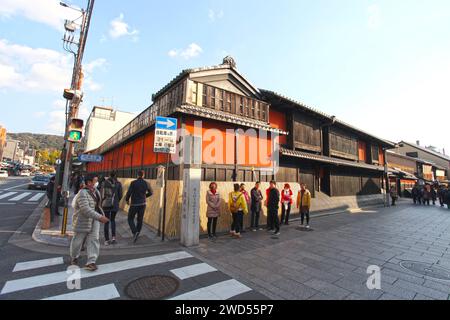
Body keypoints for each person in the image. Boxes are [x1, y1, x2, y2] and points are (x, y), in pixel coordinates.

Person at [70, 174, 109, 271]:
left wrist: (100, 215)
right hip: (82, 221)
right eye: (95, 181)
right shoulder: (82, 193)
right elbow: (85, 209)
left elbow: (98, 205)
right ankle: (74, 257)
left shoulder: (96, 191)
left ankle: (91, 262)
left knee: (94, 239)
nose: (97, 183)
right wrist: (100, 217)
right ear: (89, 182)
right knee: (78, 241)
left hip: (94, 220)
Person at [125, 170, 153, 244]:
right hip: (143, 204)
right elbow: (151, 193)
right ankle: (137, 233)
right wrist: (144, 196)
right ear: (143, 175)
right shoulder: (146, 183)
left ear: (137, 175)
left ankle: (135, 232)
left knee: (130, 218)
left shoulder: (133, 183)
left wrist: (127, 200)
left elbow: (129, 192)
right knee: (139, 220)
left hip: (134, 204)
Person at [100, 171, 123, 246]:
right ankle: (113, 238)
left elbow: (101, 194)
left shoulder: (104, 183)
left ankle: (106, 240)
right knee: (113, 220)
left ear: (109, 175)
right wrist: (116, 201)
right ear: (116, 175)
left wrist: (101, 203)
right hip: (115, 205)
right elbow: (120, 195)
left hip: (106, 204)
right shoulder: (118, 184)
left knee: (106, 221)